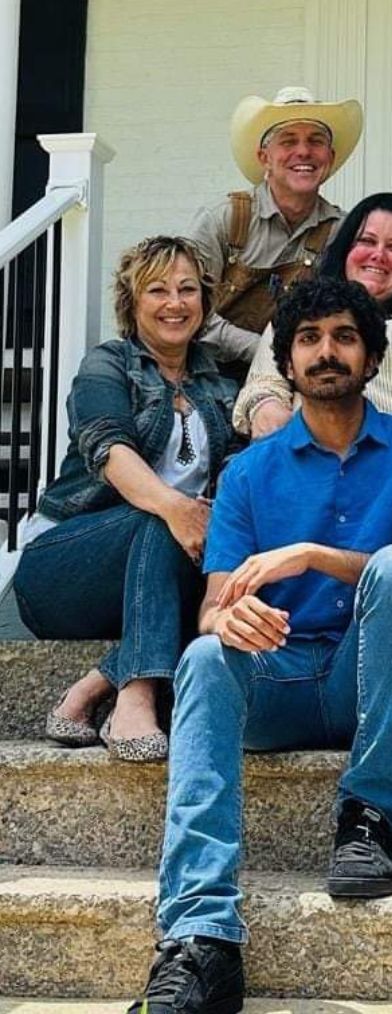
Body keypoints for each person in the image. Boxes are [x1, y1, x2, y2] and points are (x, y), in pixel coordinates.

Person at [127, 276, 392, 1014]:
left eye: (344, 336)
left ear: (372, 357)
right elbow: (213, 608)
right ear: (288, 360)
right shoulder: (247, 473)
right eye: (308, 339)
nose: (326, 352)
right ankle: (200, 938)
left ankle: (367, 816)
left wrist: (310, 554)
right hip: (273, 680)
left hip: (370, 677)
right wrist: (228, 622)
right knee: (205, 655)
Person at [13, 237, 237, 762]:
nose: (174, 303)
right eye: (157, 290)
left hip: (161, 571)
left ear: (203, 301)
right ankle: (137, 695)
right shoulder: (108, 365)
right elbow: (108, 450)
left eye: (187, 289)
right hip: (66, 565)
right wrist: (178, 508)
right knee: (161, 520)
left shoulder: (221, 383)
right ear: (132, 302)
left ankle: (90, 688)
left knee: (231, 576)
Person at [234, 192, 392, 442]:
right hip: (316, 458)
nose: (379, 254)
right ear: (345, 247)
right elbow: (263, 381)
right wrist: (267, 407)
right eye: (367, 241)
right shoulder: (303, 306)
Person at [189, 86, 362, 374]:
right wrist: (265, 351)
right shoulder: (223, 219)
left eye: (315, 141)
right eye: (288, 140)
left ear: (329, 158)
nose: (304, 151)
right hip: (209, 375)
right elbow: (190, 309)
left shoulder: (342, 231)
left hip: (297, 378)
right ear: (263, 157)